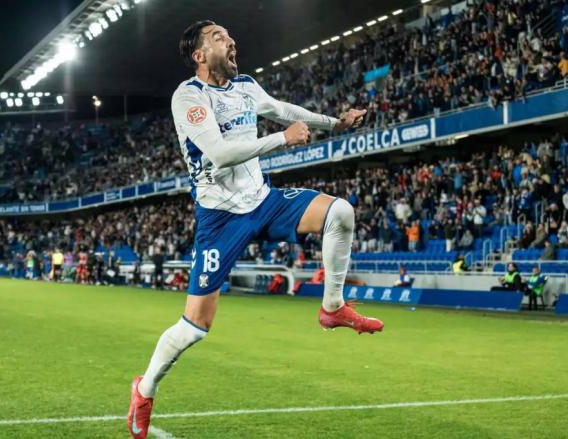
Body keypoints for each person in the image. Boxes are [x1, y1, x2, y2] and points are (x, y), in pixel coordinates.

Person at [127, 20, 384, 438]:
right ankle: (144, 390)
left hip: (263, 201)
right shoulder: (189, 96)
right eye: (218, 38)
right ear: (199, 55)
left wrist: (334, 123)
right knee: (195, 327)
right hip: (220, 218)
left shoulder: (245, 85)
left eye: (229, 36)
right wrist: (281, 140)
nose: (230, 41)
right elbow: (220, 153)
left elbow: (285, 111)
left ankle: (333, 307)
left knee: (341, 213)